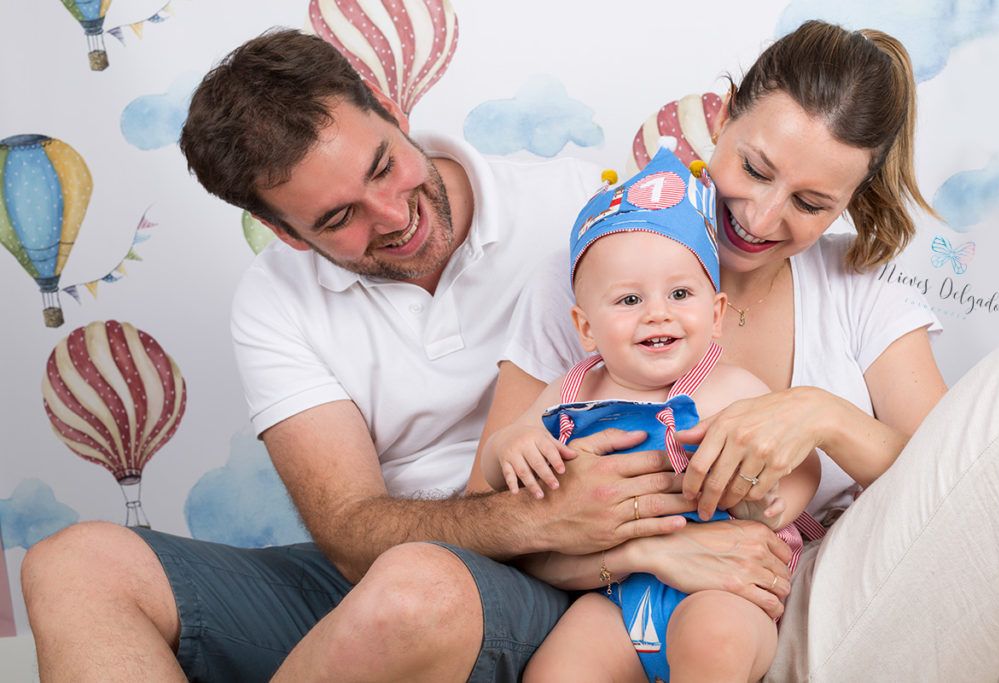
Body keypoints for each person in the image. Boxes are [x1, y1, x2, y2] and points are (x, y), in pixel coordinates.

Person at [19, 30, 705, 682]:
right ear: (283, 234)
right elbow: (348, 530)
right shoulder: (274, 298)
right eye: (338, 218)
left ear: (388, 106)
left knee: (417, 586)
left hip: (550, 581)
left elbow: (706, 371)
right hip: (391, 573)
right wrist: (529, 515)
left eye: (384, 165)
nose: (393, 215)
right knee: (72, 566)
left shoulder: (574, 207)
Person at [479, 19, 999, 681]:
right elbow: (490, 503)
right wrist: (647, 550)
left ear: (851, 199)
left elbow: (956, 483)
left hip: (788, 604)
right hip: (610, 591)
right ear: (727, 112)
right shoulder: (600, 270)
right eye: (755, 168)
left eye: (812, 202)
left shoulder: (858, 291)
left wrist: (822, 417)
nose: (762, 218)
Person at [476, 148, 820, 682]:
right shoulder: (571, 393)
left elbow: (802, 462)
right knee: (556, 672)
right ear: (585, 327)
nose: (657, 311)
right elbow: (503, 459)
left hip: (720, 583)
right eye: (628, 299)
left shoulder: (730, 388)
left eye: (680, 293)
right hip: (612, 593)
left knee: (714, 644)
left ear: (717, 314)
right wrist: (511, 447)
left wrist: (775, 505)